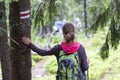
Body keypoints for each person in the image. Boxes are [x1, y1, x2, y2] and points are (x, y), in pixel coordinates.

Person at [22, 22, 89, 80]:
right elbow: (85, 68)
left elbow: (43, 52)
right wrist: (87, 62)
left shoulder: (58, 48)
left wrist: (30, 44)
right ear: (74, 32)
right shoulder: (80, 48)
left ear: (63, 33)